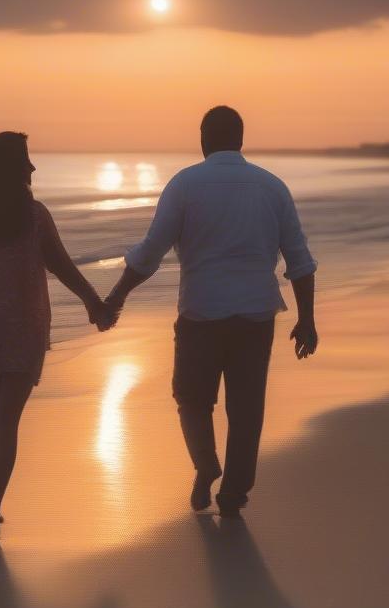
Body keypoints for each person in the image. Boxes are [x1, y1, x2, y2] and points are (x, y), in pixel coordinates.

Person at [105, 107, 318, 519]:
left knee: (192, 399)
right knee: (246, 409)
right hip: (256, 315)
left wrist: (116, 297)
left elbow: (150, 253)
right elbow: (300, 260)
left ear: (203, 138)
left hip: (201, 314)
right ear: (241, 139)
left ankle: (206, 465)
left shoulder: (184, 185)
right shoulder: (272, 188)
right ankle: (234, 495)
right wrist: (306, 318)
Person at [0, 132, 115, 544]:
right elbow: (62, 267)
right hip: (21, 329)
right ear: (17, 168)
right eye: (27, 162)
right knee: (5, 423)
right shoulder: (34, 216)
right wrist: (94, 304)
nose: (33, 170)